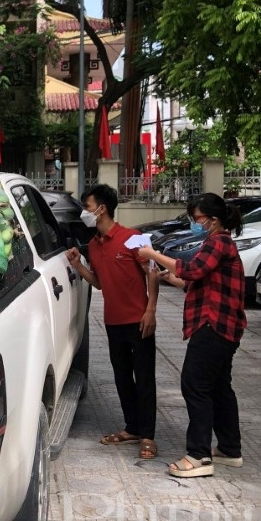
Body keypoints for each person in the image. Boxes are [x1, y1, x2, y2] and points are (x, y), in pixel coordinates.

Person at [139, 193, 246, 478]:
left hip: (214, 326)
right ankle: (229, 449)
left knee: (195, 384)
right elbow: (198, 280)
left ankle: (198, 456)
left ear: (213, 220)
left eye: (197, 218)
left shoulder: (218, 242)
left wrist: (152, 254)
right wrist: (170, 277)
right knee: (220, 388)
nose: (194, 223)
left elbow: (194, 269)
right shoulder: (218, 243)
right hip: (225, 326)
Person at [66, 184, 160, 460]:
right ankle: (132, 428)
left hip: (139, 320)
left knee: (144, 379)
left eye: (87, 206)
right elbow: (100, 284)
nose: (86, 212)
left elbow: (153, 274)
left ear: (102, 208)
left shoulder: (133, 238)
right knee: (122, 378)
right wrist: (79, 265)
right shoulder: (94, 246)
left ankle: (148, 437)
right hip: (113, 322)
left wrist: (151, 310)